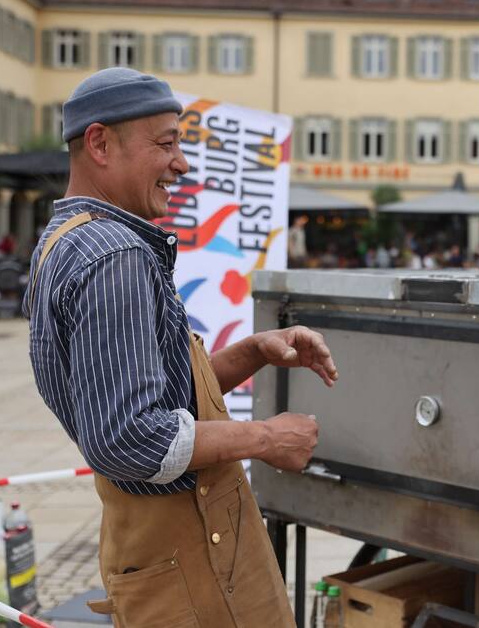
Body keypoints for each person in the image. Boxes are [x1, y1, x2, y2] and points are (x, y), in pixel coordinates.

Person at [22, 68, 337, 627]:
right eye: (166, 143)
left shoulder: (66, 241)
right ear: (99, 143)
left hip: (161, 552)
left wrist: (256, 350)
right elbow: (131, 438)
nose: (182, 163)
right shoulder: (114, 256)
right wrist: (268, 437)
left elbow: (152, 393)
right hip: (195, 558)